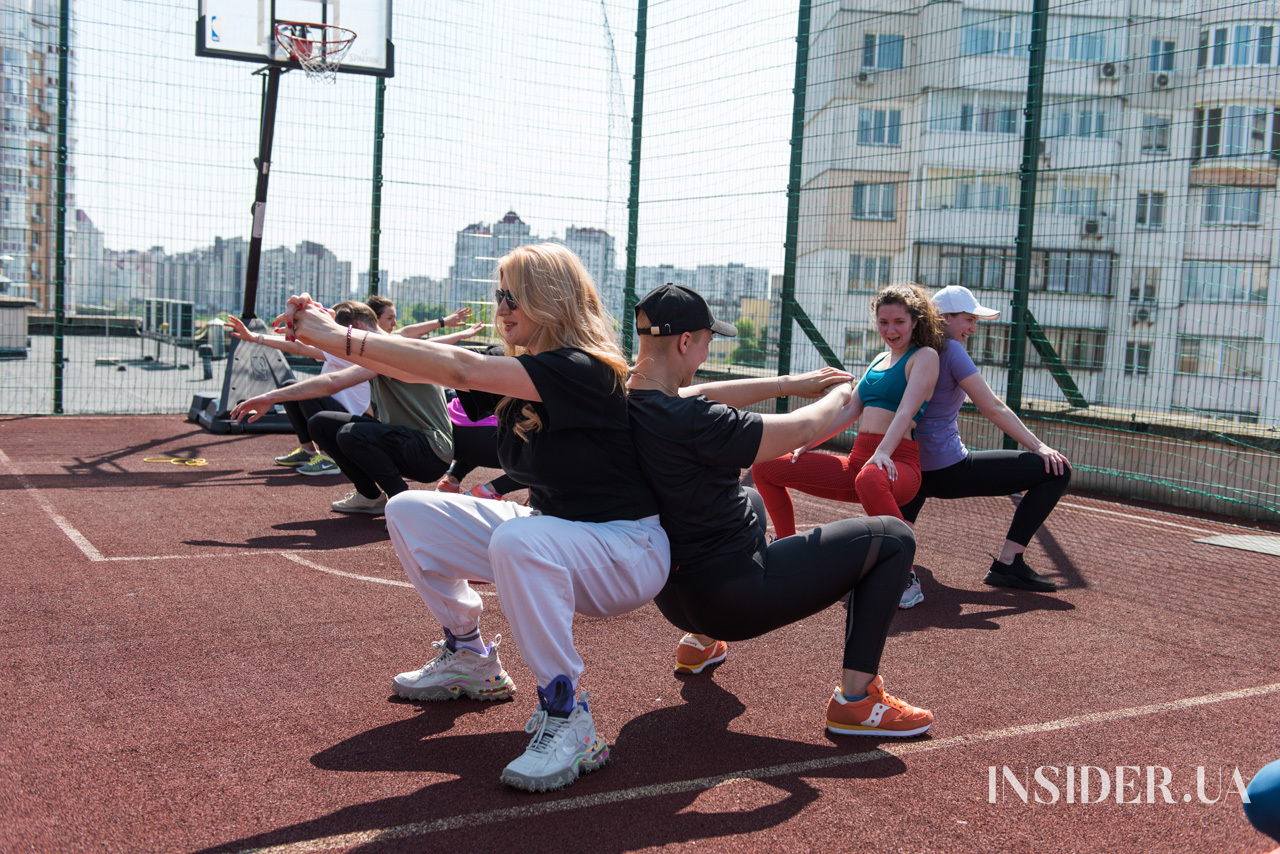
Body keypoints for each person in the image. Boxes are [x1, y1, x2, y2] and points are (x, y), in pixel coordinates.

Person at [280, 243, 670, 793]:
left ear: (552, 300)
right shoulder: (520, 368)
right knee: (408, 509)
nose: (503, 306)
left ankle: (569, 715)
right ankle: (469, 656)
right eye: (499, 295)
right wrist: (324, 335)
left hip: (625, 551)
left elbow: (459, 364)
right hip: (558, 536)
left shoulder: (583, 368)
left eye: (517, 296)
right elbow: (412, 365)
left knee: (517, 537)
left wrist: (335, 336)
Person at [627, 284, 933, 737]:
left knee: (749, 497)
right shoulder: (698, 421)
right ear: (685, 342)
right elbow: (803, 426)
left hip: (673, 597)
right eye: (708, 341)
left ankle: (701, 644)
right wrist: (837, 393)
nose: (707, 352)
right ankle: (856, 700)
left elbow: (706, 390)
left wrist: (790, 383)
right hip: (734, 600)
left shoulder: (627, 402)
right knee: (894, 537)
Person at [750, 284, 942, 612]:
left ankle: (906, 576)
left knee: (870, 478)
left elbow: (907, 410)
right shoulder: (879, 360)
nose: (891, 330)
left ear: (914, 321)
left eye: (899, 322)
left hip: (898, 465)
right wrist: (807, 443)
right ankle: (786, 548)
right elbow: (848, 412)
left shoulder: (925, 357)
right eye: (884, 322)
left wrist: (882, 452)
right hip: (858, 465)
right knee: (766, 467)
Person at [898, 285, 1071, 598]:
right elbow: (992, 407)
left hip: (908, 467)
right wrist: (1038, 447)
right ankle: (1009, 564)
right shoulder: (950, 349)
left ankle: (887, 553)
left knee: (897, 529)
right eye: (968, 319)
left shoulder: (907, 348)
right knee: (1056, 471)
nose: (973, 327)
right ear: (943, 317)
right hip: (945, 471)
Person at [229, 303, 466, 515]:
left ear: (358, 327)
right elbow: (328, 374)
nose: (337, 342)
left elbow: (334, 382)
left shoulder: (392, 349)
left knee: (351, 433)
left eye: (340, 336)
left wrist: (270, 397)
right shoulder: (374, 350)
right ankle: (370, 496)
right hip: (402, 438)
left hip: (430, 452)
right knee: (321, 423)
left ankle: (401, 504)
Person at [226, 302, 374, 476]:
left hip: (358, 423)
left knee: (307, 393)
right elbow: (300, 346)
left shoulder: (351, 351)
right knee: (290, 387)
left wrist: (255, 338)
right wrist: (254, 337)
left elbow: (300, 348)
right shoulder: (340, 349)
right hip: (341, 415)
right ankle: (308, 450)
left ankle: (331, 457)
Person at [366, 295, 473, 337]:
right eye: (390, 318)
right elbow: (429, 344)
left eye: (395, 318)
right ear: (373, 319)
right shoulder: (365, 344)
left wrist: (443, 322)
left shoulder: (386, 338)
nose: (395, 323)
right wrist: (460, 335)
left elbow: (406, 332)